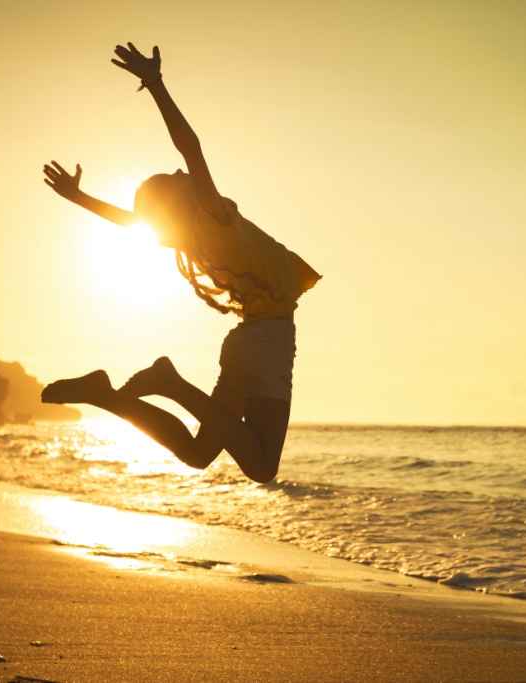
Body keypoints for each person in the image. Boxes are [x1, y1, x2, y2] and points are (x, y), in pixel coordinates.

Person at [41, 43, 320, 483]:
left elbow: (133, 222)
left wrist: (78, 197)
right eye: (175, 178)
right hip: (267, 341)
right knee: (263, 467)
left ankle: (105, 396)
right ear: (182, 198)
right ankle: (171, 383)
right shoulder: (214, 219)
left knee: (196, 453)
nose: (182, 172)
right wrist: (155, 84)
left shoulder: (189, 237)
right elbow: (191, 148)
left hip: (250, 341)